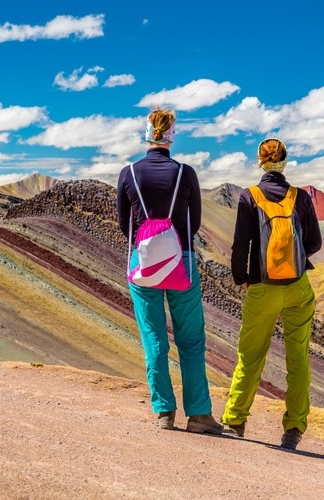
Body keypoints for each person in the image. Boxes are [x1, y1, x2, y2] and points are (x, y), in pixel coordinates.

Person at [116, 106, 223, 435]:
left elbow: (124, 225)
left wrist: (150, 246)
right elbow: (196, 222)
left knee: (154, 338)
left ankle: (164, 411)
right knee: (190, 341)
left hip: (142, 262)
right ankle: (199, 415)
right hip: (183, 262)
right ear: (171, 135)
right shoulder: (185, 173)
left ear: (146, 134)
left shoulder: (129, 173)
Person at [222, 138, 322, 450]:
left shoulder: (248, 196)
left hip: (262, 288)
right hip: (297, 287)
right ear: (285, 162)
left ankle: (235, 420)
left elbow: (241, 246)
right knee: (298, 358)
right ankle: (293, 429)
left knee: (250, 357)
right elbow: (315, 243)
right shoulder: (300, 197)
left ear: (260, 162)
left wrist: (243, 279)